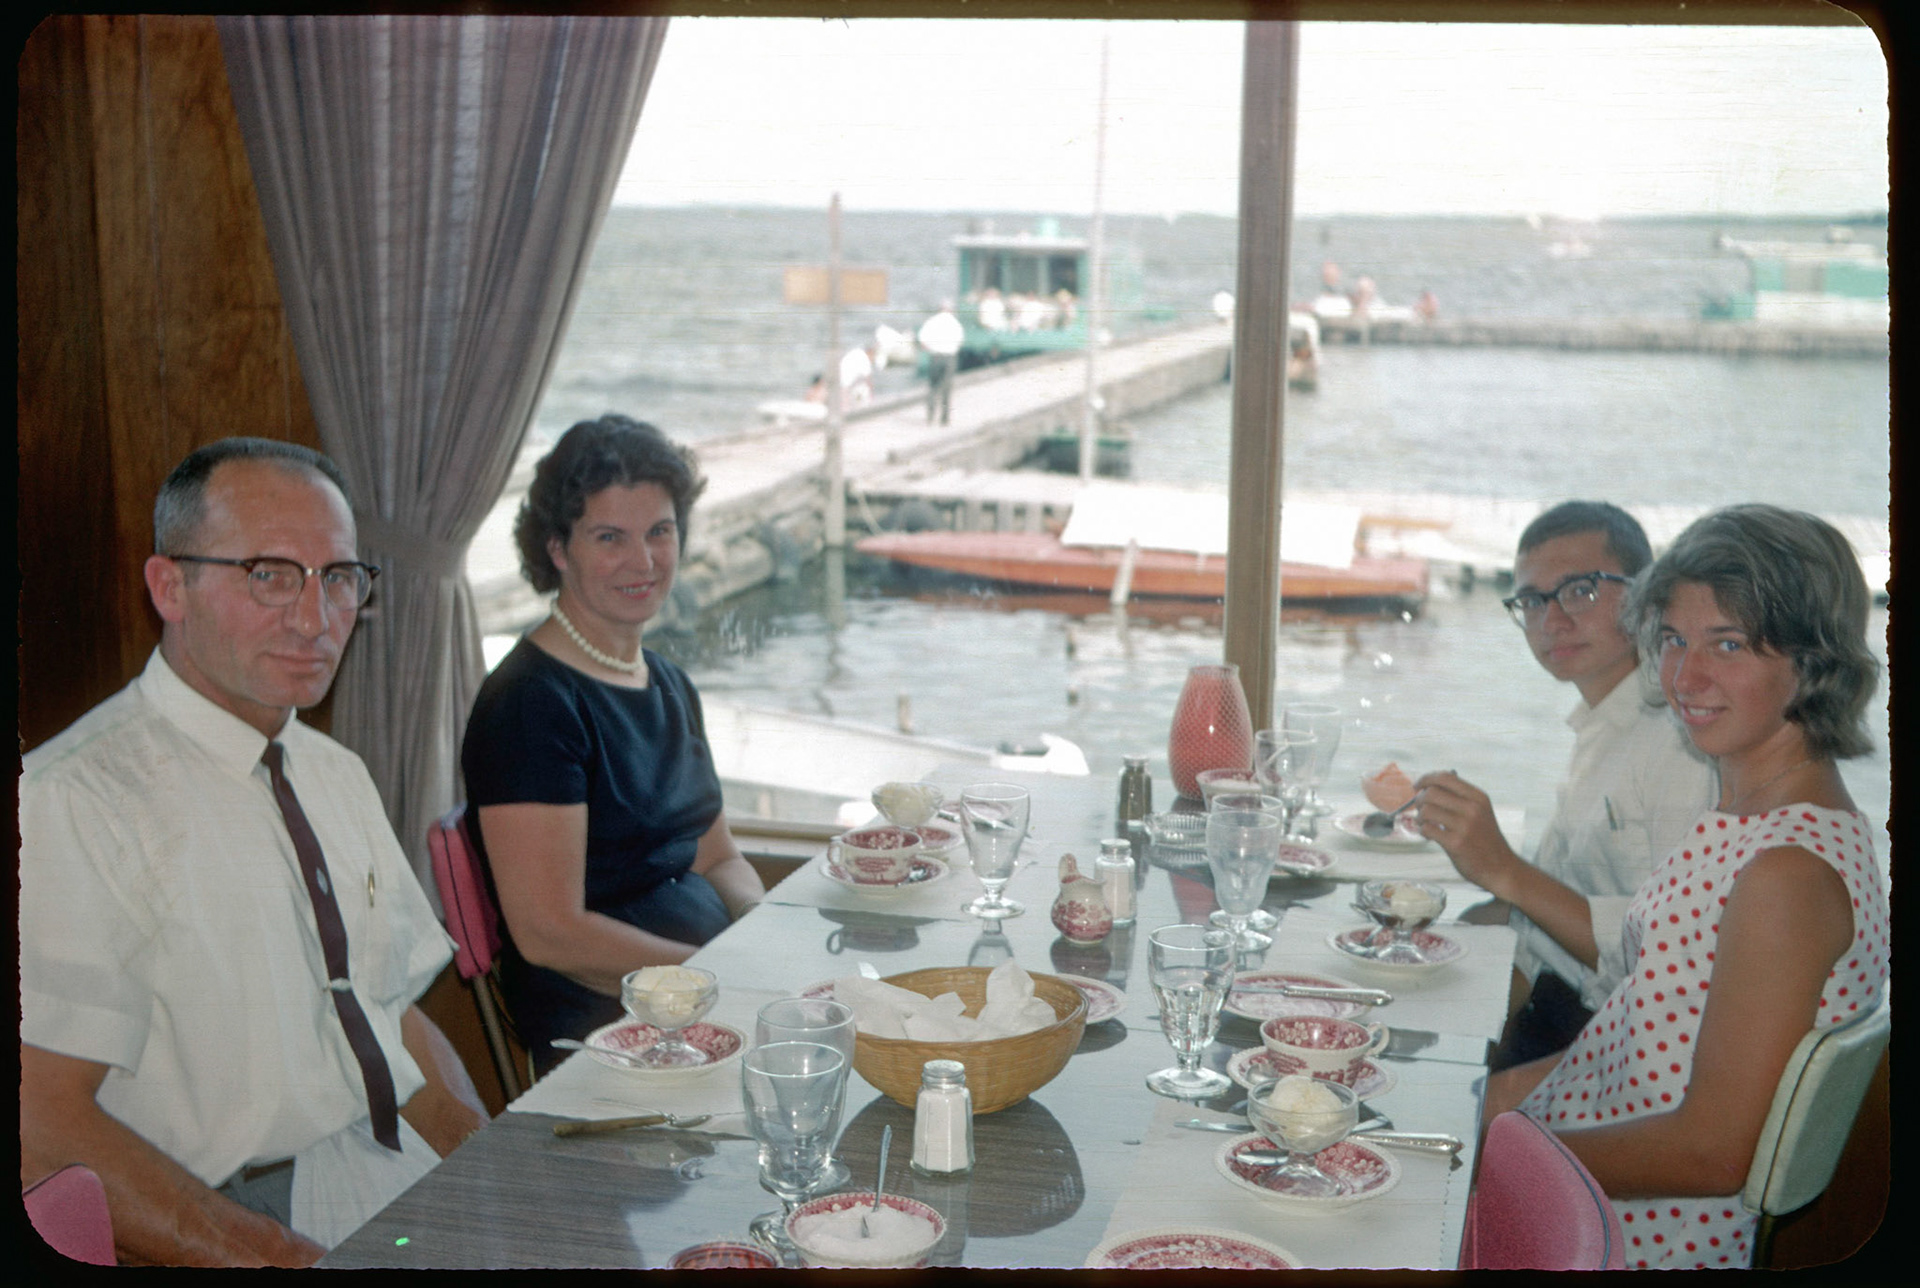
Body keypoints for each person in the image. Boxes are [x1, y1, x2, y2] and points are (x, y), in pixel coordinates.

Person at [20, 438, 487, 1265]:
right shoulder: (72, 800)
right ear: (170, 587)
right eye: (269, 575)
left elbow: (389, 1014)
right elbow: (40, 1119)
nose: (314, 619)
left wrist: (493, 1172)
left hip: (377, 1169)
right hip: (228, 1215)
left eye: (337, 578)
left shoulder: (332, 771)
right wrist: (281, 1257)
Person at [1478, 504, 1888, 1269]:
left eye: (1727, 644)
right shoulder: (1745, 822)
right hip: (1577, 1177)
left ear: (1815, 660)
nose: (1684, 678)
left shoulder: (1787, 876)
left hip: (1620, 1237)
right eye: (1672, 639)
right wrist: (1484, 1107)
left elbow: (1711, 1155)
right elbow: (1632, 1041)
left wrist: (1487, 1156)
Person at [461, 416, 766, 1074]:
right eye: (610, 538)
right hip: (610, 1033)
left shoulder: (667, 682)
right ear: (557, 549)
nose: (644, 561)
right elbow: (550, 934)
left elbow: (717, 855)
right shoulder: (531, 705)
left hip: (704, 1002)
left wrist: (765, 931)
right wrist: (717, 978)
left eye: (660, 531)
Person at [1413, 502, 1714, 1068]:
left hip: (1617, 1051)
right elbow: (1546, 912)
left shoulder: (1683, 741)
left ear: (1646, 595)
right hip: (1547, 1011)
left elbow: (1673, 960)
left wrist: (1504, 868)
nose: (1552, 621)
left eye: (1580, 590)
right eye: (1532, 600)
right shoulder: (1603, 725)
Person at [917, 300, 964, 426]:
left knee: (933, 387)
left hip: (936, 357)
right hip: (949, 357)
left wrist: (932, 348)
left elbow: (922, 341)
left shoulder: (931, 322)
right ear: (951, 310)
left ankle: (930, 417)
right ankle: (944, 418)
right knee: (946, 389)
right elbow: (959, 342)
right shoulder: (955, 323)